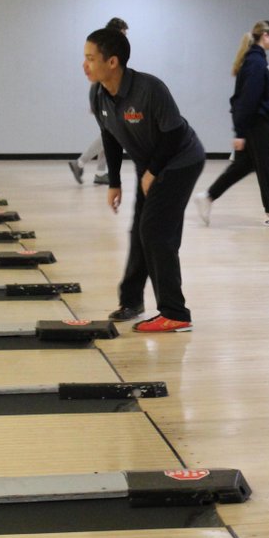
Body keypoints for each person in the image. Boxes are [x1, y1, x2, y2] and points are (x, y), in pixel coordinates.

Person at [86, 26, 206, 333]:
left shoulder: (149, 88)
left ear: (112, 62)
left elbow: (174, 132)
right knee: (140, 230)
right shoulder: (98, 93)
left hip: (179, 162)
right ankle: (131, 302)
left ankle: (176, 313)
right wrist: (115, 182)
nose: (84, 64)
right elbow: (110, 137)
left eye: (90, 58)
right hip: (149, 166)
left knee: (155, 231)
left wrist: (153, 171)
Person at [195, 20, 269, 227]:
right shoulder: (256, 63)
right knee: (266, 168)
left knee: (243, 165)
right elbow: (247, 99)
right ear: (264, 36)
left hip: (257, 122)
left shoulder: (257, 60)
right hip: (255, 123)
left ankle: (207, 196)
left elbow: (257, 98)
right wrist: (240, 132)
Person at [71, 17, 129, 185]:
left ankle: (100, 173)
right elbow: (100, 73)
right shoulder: (107, 48)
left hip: (103, 93)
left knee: (111, 134)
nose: (125, 36)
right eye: (123, 33)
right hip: (103, 93)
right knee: (110, 133)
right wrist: (97, 98)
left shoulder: (109, 47)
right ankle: (80, 163)